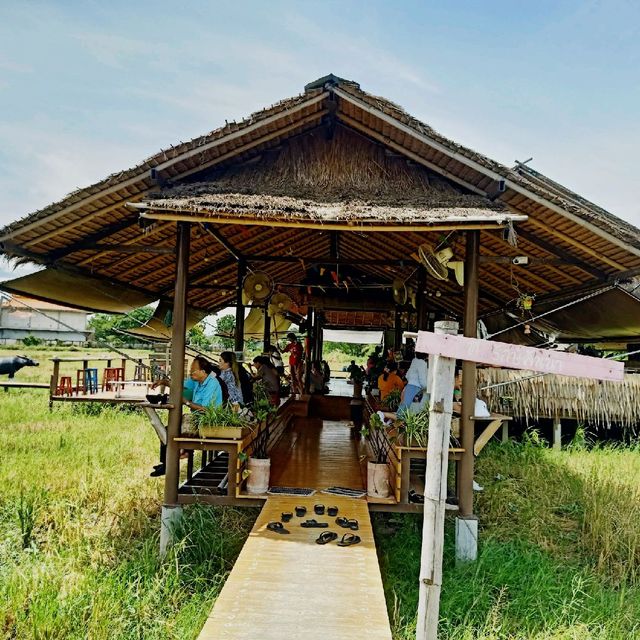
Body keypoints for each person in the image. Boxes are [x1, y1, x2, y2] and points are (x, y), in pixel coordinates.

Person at [150, 355, 222, 477]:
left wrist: (185, 401)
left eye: (193, 371)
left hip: (208, 422)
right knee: (167, 429)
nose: (190, 373)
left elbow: (205, 409)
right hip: (197, 419)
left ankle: (174, 459)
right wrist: (164, 382)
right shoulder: (198, 381)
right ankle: (167, 461)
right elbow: (180, 386)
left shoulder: (212, 384)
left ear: (203, 372)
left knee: (171, 431)